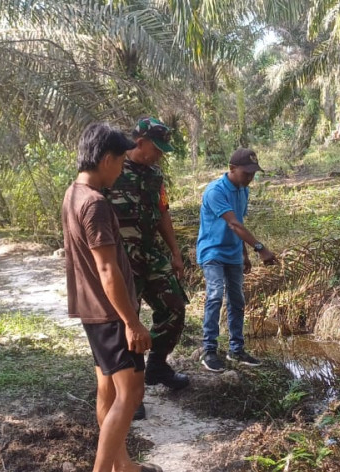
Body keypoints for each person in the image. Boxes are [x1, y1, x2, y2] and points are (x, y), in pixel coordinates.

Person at [62, 122, 163, 472]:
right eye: (121, 160)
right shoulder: (96, 204)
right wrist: (132, 323)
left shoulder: (74, 194)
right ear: (106, 159)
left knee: (108, 389)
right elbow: (107, 271)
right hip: (110, 315)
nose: (123, 168)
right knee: (131, 393)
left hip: (92, 311)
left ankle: (121, 466)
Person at [107, 117, 190, 418]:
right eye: (157, 148)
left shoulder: (155, 175)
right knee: (128, 322)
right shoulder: (112, 170)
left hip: (151, 252)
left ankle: (157, 366)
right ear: (139, 142)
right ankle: (131, 390)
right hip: (121, 258)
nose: (160, 155)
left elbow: (162, 213)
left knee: (174, 306)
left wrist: (175, 253)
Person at [196, 148, 278, 373]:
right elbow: (233, 224)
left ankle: (236, 350)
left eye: (253, 173)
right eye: (246, 173)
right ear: (232, 169)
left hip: (232, 253)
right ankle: (209, 350)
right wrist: (260, 249)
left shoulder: (243, 191)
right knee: (215, 295)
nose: (250, 178)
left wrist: (243, 254)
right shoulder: (215, 191)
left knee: (237, 300)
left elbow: (238, 223)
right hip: (212, 251)